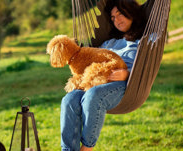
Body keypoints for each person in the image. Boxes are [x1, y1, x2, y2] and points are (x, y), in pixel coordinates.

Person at [60, 0, 147, 151]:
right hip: (97, 82)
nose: (116, 20)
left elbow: (146, 69)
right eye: (112, 18)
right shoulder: (109, 42)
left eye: (119, 14)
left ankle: (87, 148)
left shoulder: (144, 41)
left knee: (94, 94)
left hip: (126, 86)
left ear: (131, 12)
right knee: (69, 99)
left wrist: (127, 74)